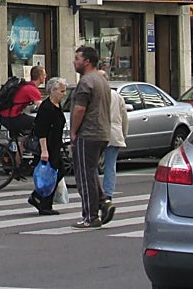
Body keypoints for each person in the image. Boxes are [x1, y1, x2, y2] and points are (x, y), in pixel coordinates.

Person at [69, 46, 112, 229]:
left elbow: (80, 109)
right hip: (102, 132)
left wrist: (73, 131)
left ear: (87, 61)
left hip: (88, 133)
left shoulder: (86, 82)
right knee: (91, 171)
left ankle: (90, 216)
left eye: (77, 58)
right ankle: (103, 202)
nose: (74, 61)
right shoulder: (102, 80)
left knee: (84, 176)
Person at [27, 76, 66, 216]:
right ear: (53, 90)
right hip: (47, 146)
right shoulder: (46, 107)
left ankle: (38, 198)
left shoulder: (57, 105)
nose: (64, 93)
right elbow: (41, 130)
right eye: (62, 91)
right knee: (51, 173)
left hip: (55, 145)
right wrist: (44, 150)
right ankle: (42, 203)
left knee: (58, 171)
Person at [0, 65, 44, 153]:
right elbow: (42, 108)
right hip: (12, 117)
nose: (46, 77)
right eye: (44, 75)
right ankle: (32, 149)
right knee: (39, 124)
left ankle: (19, 157)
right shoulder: (32, 89)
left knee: (28, 130)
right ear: (40, 76)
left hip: (6, 116)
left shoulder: (26, 86)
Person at [101, 70, 128, 199]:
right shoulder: (117, 96)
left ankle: (96, 192)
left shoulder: (96, 94)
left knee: (93, 164)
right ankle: (108, 193)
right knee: (110, 165)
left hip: (98, 133)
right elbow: (124, 117)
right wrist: (123, 134)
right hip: (115, 133)